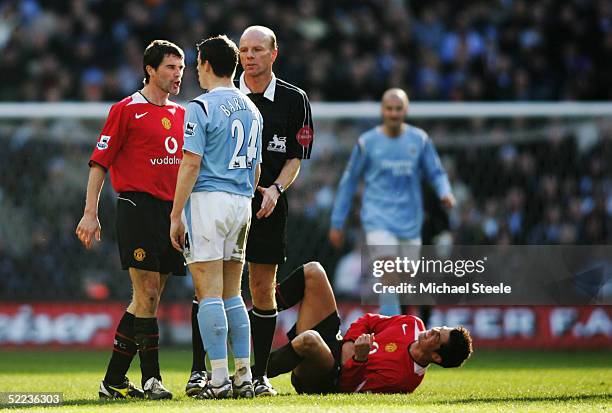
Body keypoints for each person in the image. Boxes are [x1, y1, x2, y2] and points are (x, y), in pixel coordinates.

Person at [186, 25, 315, 397]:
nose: (249, 56)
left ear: (274, 54)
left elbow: (297, 157)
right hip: (233, 200)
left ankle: (255, 377)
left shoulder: (294, 99)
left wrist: (275, 189)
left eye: (257, 49)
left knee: (260, 288)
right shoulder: (228, 97)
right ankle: (201, 371)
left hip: (264, 204)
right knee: (208, 288)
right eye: (243, 50)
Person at [75, 40, 185, 400]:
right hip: (136, 207)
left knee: (146, 301)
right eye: (170, 67)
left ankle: (113, 381)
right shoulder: (126, 109)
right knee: (148, 293)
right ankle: (153, 379)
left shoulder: (183, 114)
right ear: (150, 70)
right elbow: (99, 163)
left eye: (181, 68)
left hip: (171, 213)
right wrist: (90, 213)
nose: (177, 74)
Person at [170, 35, 263, 400]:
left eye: (196, 64)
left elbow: (190, 163)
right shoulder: (251, 109)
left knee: (207, 293)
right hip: (241, 202)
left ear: (205, 65)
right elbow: (256, 170)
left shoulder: (200, 107)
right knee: (233, 295)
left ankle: (220, 378)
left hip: (208, 201)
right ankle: (244, 375)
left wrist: (176, 213)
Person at [329, 88, 455, 315]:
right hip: (378, 219)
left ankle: (404, 329)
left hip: (410, 222)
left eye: (398, 109)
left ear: (405, 110)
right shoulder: (367, 143)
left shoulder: (419, 140)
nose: (394, 113)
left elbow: (436, 172)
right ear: (382, 111)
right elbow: (349, 182)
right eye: (389, 108)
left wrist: (445, 191)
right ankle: (393, 336)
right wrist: (337, 222)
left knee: (407, 282)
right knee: (389, 272)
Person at [266, 261, 473, 394]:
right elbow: (368, 321)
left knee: (310, 339)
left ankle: (253, 375)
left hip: (329, 375)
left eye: (437, 337)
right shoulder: (412, 324)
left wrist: (360, 358)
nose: (432, 330)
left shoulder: (403, 379)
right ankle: (261, 311)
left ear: (436, 357)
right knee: (314, 271)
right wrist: (350, 341)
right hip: (337, 344)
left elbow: (346, 387)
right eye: (440, 328)